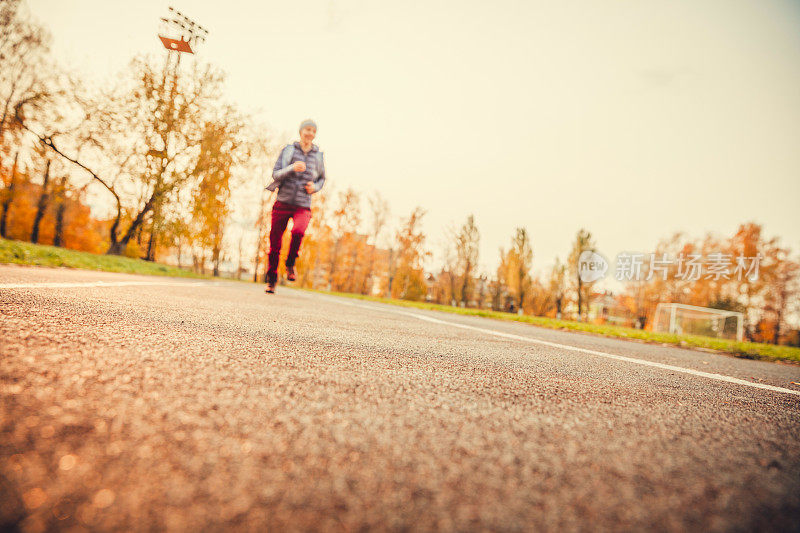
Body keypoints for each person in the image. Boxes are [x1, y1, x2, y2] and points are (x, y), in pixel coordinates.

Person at [264, 119, 326, 294]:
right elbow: (275, 173)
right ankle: (271, 280)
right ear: (301, 131)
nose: (310, 134)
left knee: (298, 231)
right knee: (274, 244)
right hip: (282, 201)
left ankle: (290, 263)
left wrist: (315, 187)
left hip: (303, 204)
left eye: (314, 131)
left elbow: (322, 179)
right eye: (308, 129)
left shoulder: (318, 155)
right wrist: (291, 168)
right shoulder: (289, 150)